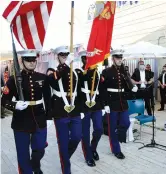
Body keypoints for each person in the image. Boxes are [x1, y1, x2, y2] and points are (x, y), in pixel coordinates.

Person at [1, 49, 51, 174]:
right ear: (22, 61)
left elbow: (48, 99)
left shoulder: (42, 78)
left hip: (39, 118)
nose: (31, 62)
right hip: (21, 120)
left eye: (33, 60)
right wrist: (15, 105)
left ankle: (35, 165)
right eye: (28, 60)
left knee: (40, 148)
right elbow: (4, 100)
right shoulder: (13, 79)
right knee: (23, 153)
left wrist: (49, 117)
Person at [47, 46, 82, 174]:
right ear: (57, 56)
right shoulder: (52, 70)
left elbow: (78, 91)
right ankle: (66, 169)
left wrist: (81, 109)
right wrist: (66, 64)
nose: (65, 57)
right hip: (60, 110)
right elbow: (52, 80)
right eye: (62, 55)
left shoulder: (74, 71)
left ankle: (64, 157)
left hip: (74, 109)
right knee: (63, 141)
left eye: (67, 55)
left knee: (77, 136)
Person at [101, 49, 138, 159]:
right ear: (113, 59)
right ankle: (116, 149)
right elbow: (103, 89)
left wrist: (133, 87)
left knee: (126, 123)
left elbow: (127, 83)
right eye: (117, 58)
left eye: (121, 58)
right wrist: (105, 104)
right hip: (112, 102)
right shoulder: (107, 72)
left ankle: (117, 138)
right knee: (112, 127)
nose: (119, 60)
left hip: (123, 102)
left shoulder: (124, 71)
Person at [78, 50, 105, 167]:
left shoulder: (97, 73)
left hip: (96, 105)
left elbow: (101, 90)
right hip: (84, 106)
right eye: (86, 58)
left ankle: (93, 148)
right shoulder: (79, 72)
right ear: (82, 59)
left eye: (90, 59)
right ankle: (88, 155)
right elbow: (78, 90)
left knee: (99, 129)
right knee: (85, 133)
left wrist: (104, 105)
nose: (87, 61)